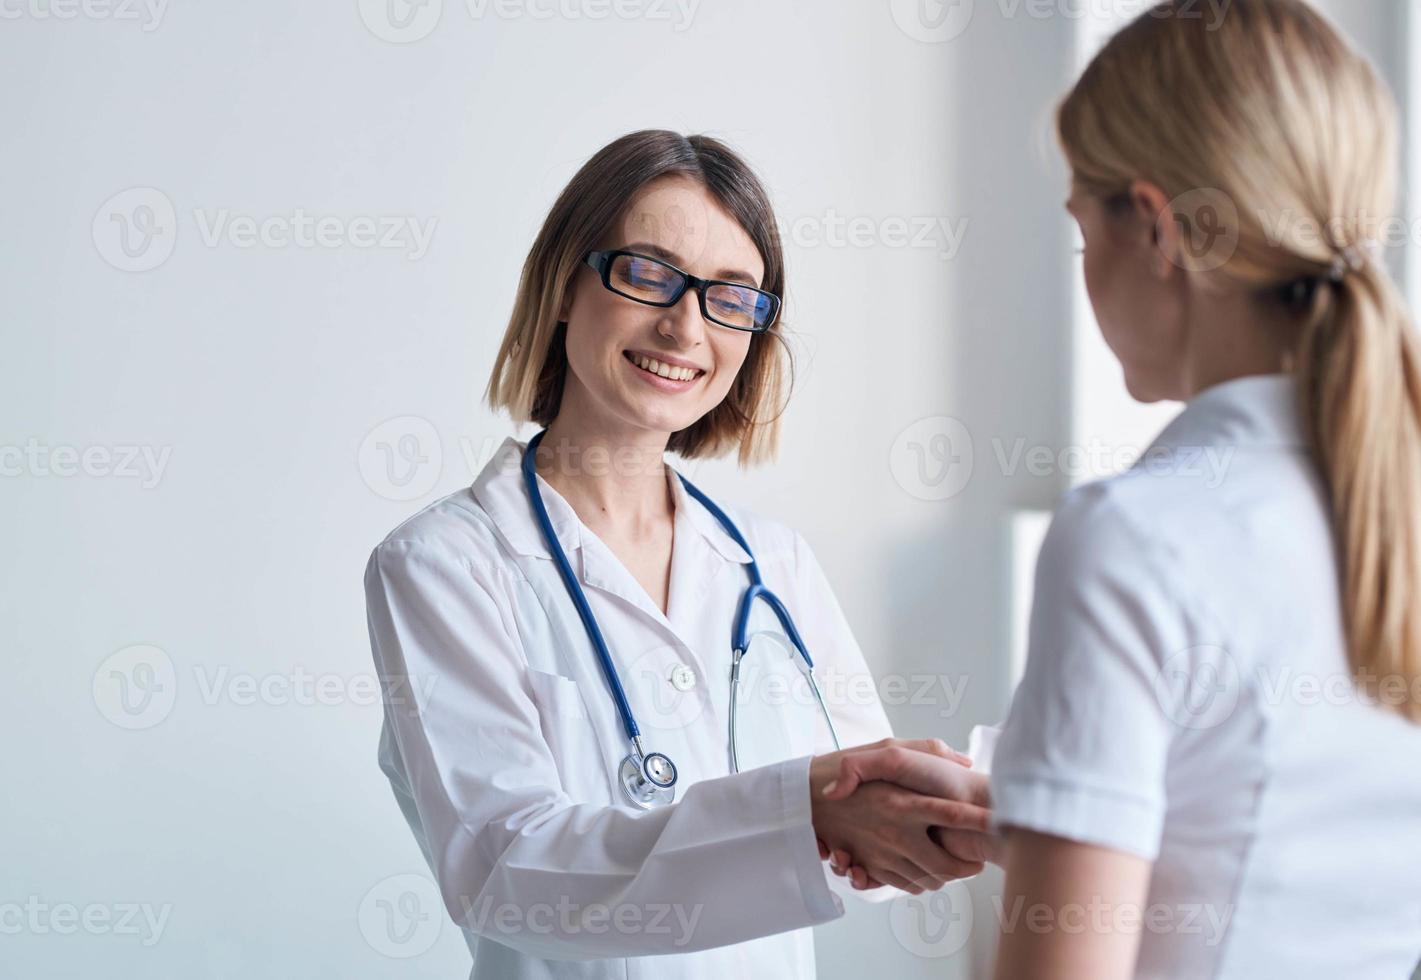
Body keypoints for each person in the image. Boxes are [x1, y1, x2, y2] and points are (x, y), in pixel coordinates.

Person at [822, 1, 1421, 976]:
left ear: (1154, 228)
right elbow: (1251, 820)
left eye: (1078, 231)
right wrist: (1039, 798)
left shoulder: (1135, 538)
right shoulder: (1382, 512)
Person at [363, 129, 992, 980]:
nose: (685, 325)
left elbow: (864, 818)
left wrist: (961, 808)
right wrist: (801, 812)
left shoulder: (772, 566)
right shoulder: (443, 564)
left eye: (732, 297)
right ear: (562, 284)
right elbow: (504, 866)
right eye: (647, 273)